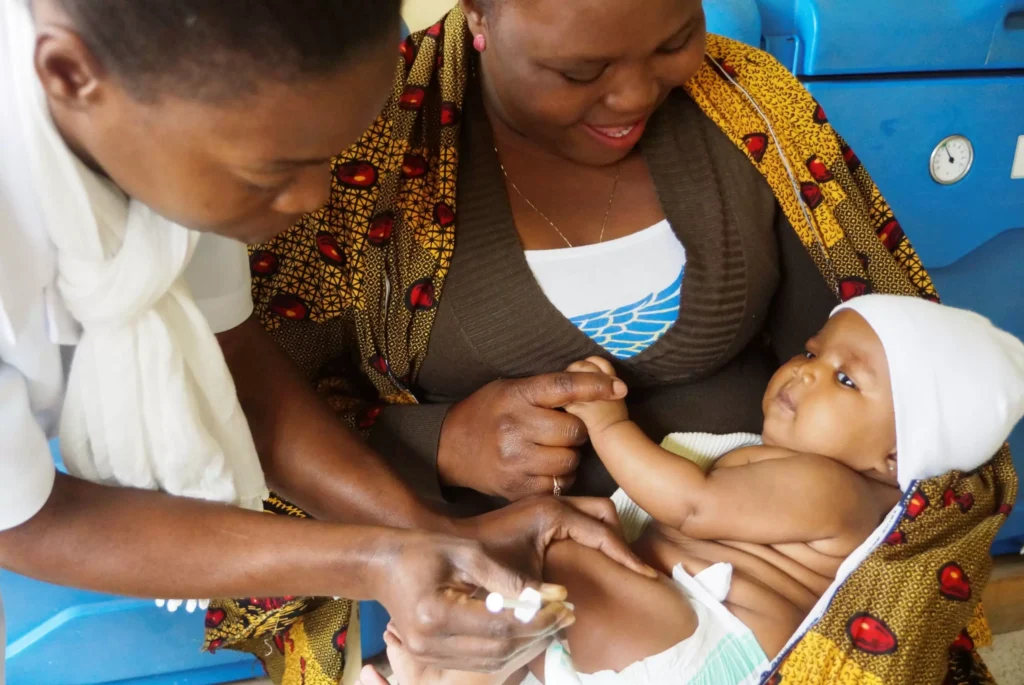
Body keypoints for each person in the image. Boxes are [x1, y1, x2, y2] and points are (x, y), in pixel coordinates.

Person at [239, 0, 1015, 682]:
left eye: (675, 39)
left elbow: (892, 354)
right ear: (479, 13)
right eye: (579, 70)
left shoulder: (748, 104)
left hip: (742, 611)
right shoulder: (365, 144)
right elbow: (253, 408)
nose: (636, 94)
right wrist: (443, 441)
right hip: (484, 559)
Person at [0, 1, 653, 682]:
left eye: (328, 156)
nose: (312, 198)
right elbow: (24, 520)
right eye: (272, 173)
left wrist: (434, 536)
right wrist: (378, 561)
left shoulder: (180, 129)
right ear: (70, 74)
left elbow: (235, 367)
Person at [359, 295, 1024, 684]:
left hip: (709, 644)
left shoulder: (833, 489)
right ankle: (479, 662)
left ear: (898, 455)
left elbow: (693, 504)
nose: (806, 373)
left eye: (846, 380)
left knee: (562, 555)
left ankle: (461, 667)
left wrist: (609, 424)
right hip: (676, 626)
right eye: (811, 352)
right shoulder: (807, 469)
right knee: (561, 562)